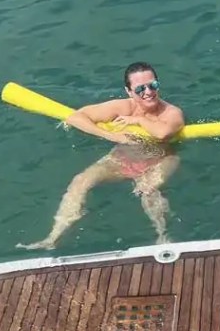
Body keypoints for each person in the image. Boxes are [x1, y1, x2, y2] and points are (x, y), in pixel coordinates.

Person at [17, 62, 185, 250]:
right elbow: (75, 117)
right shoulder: (122, 107)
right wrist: (111, 135)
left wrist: (137, 120)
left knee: (146, 188)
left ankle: (162, 235)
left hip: (161, 159)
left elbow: (163, 133)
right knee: (81, 180)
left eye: (153, 85)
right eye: (140, 89)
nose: (148, 92)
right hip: (123, 158)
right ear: (129, 91)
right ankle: (52, 238)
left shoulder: (172, 112)